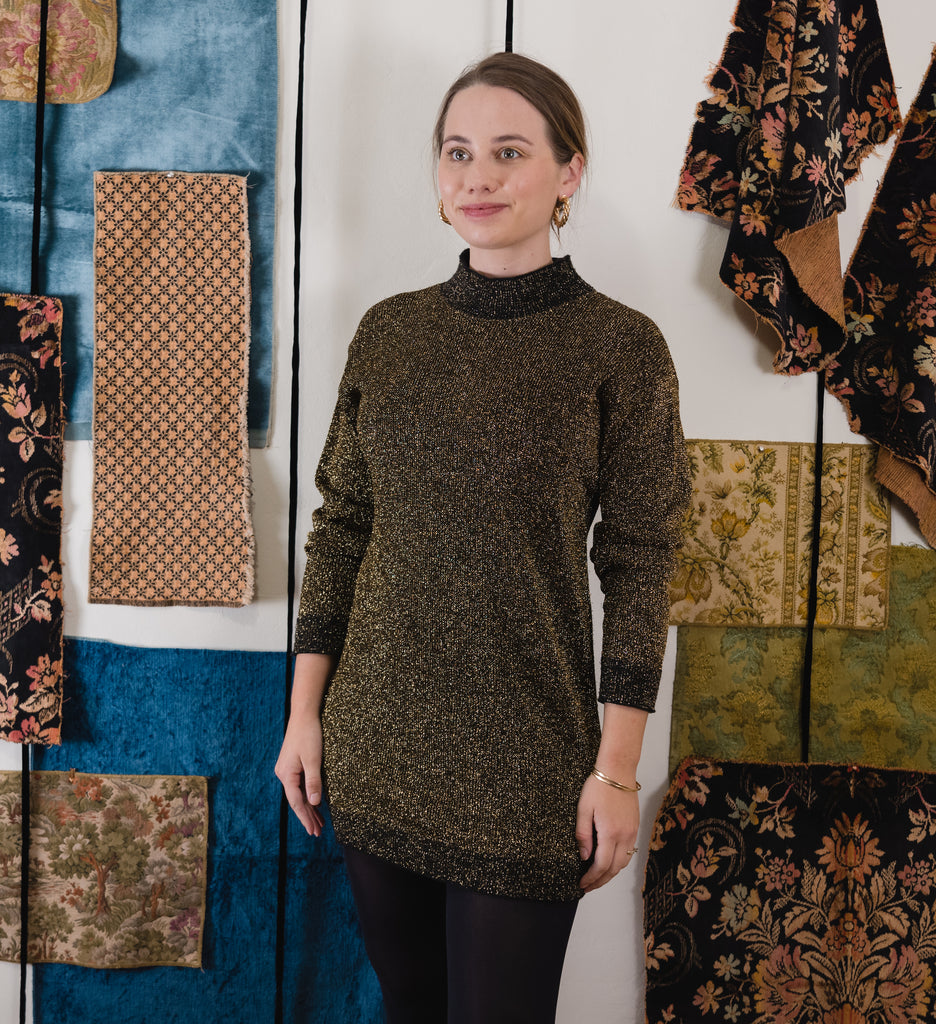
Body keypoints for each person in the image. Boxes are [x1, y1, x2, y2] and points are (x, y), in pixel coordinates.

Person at [275, 51, 690, 1024]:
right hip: (373, 748)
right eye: (457, 152)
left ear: (568, 171)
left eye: (508, 152)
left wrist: (616, 771)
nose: (476, 176)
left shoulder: (619, 349)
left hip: (529, 768)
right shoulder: (390, 332)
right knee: (411, 1008)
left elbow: (638, 565)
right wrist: (304, 716)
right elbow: (341, 526)